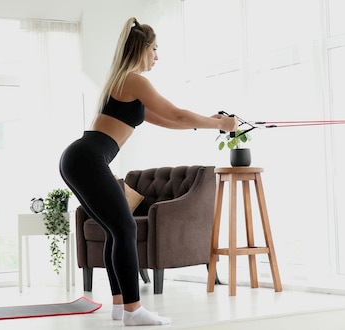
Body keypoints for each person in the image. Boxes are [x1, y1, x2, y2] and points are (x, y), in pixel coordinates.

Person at [59, 17, 237, 326]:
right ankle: (134, 310)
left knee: (117, 230)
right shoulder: (134, 79)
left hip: (80, 158)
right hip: (87, 159)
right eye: (154, 49)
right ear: (142, 49)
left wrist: (209, 122)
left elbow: (170, 120)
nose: (157, 56)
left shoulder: (125, 82)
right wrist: (221, 124)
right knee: (125, 229)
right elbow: (176, 112)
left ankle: (120, 305)